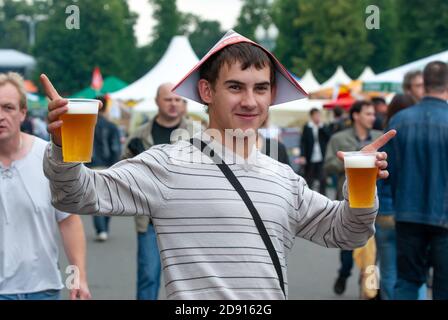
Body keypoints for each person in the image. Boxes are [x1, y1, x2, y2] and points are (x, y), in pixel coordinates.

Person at [40, 30, 394, 300]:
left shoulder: (283, 177)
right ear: (207, 92)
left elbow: (348, 232)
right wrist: (62, 146)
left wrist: (361, 189)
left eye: (261, 88)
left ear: (271, 94)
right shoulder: (167, 164)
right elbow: (76, 196)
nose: (250, 101)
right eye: (236, 87)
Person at [0, 72, 91, 300]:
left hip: (42, 289)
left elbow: (69, 221)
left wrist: (78, 278)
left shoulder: (48, 156)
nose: (0, 116)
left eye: (8, 107)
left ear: (23, 113)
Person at [122, 83, 196, 300]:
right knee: (148, 277)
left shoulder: (200, 135)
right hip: (150, 222)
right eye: (168, 99)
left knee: (190, 283)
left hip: (189, 222)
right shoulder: (138, 136)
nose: (174, 104)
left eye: (178, 100)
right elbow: (124, 172)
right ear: (157, 101)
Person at [386, 61, 448, 300]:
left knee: (408, 282)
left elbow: (389, 169)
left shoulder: (399, 121)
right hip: (444, 217)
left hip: (407, 213)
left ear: (425, 84)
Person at [324, 100, 383, 296]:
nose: (372, 117)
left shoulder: (378, 138)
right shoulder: (339, 138)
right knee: (348, 252)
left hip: (374, 203)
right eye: (368, 113)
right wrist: (353, 161)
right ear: (356, 115)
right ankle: (344, 273)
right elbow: (328, 165)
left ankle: (369, 291)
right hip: (348, 202)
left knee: (372, 255)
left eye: (373, 114)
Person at [375, 93, 426, 300]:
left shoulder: (384, 140)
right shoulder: (421, 140)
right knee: (415, 271)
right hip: (413, 211)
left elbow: (377, 179)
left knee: (388, 270)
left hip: (386, 210)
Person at [86, 96, 122, 242]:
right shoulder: (112, 126)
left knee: (95, 200)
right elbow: (116, 148)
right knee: (108, 199)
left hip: (91, 165)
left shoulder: (86, 125)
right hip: (109, 166)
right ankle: (104, 227)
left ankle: (101, 229)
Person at [299, 108, 330, 195]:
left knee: (322, 178)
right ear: (312, 116)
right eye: (316, 115)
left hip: (321, 156)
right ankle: (308, 196)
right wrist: (302, 155)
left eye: (319, 115)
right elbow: (303, 142)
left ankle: (323, 197)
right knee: (309, 178)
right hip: (310, 156)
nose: (318, 117)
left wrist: (321, 127)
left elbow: (329, 137)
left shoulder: (323, 126)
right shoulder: (307, 126)